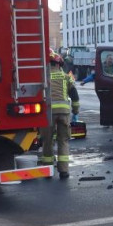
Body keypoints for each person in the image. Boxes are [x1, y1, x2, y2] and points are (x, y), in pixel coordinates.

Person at [40, 51, 79, 179]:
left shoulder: (43, 77)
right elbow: (74, 96)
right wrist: (75, 111)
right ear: (58, 64)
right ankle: (64, 170)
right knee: (63, 140)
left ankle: (48, 169)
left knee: (47, 141)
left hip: (48, 113)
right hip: (64, 113)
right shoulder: (66, 77)